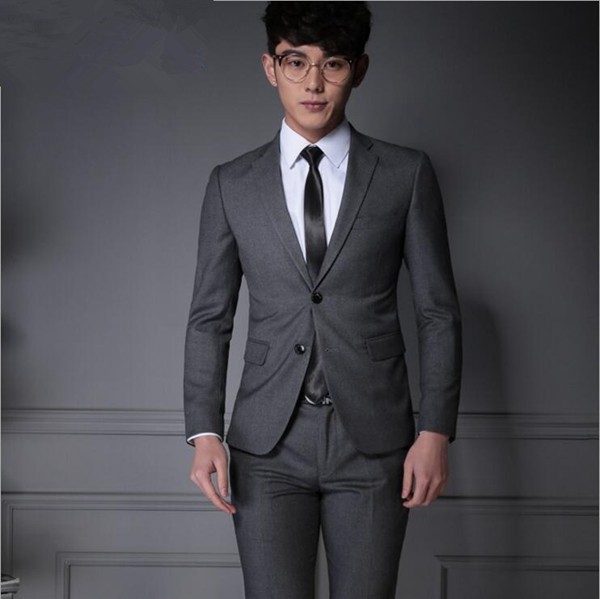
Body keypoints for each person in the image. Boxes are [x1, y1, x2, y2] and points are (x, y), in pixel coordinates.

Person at [184, 2, 462, 597]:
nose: (313, 82)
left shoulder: (406, 174)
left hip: (375, 443)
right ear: (270, 68)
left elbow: (437, 312)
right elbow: (210, 319)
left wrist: (435, 430)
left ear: (358, 70)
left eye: (332, 63)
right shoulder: (231, 183)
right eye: (296, 62)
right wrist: (204, 432)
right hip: (266, 446)